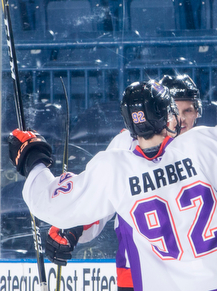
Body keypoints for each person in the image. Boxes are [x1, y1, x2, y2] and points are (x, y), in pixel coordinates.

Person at [8, 60, 217, 290]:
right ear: (168, 114)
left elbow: (53, 204)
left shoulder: (115, 165)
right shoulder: (202, 143)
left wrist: (34, 163)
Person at [44, 74, 204, 291]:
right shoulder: (125, 144)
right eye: (175, 110)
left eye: (188, 110)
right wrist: (75, 225)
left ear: (198, 112)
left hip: (199, 275)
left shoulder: (207, 149)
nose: (181, 119)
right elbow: (99, 197)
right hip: (136, 272)